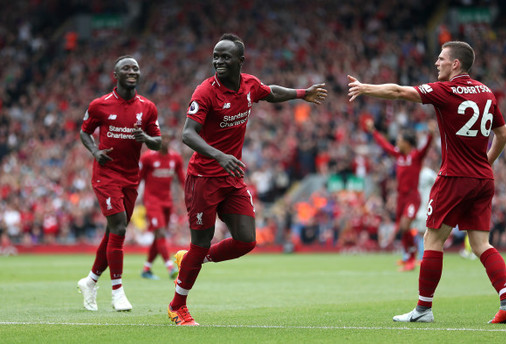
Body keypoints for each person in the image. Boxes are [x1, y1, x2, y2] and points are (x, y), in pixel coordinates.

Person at [348, 41, 506, 324]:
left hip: (454, 176)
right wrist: (484, 164)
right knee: (480, 243)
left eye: (441, 59)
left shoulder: (446, 90)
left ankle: (423, 309)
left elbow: (398, 91)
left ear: (456, 64)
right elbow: (503, 136)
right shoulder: (487, 92)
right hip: (482, 179)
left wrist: (365, 88)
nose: (436, 63)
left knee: (432, 238)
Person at [167, 33, 327, 326]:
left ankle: (190, 259)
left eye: (225, 57)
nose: (218, 62)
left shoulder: (249, 84)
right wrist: (219, 156)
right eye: (215, 56)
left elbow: (270, 92)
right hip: (204, 177)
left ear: (240, 61)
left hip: (231, 177)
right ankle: (178, 306)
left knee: (246, 240)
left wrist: (303, 93)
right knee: (200, 243)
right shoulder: (204, 92)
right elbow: (187, 134)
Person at [77, 56, 162, 312]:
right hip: (106, 174)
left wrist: (145, 136)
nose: (132, 71)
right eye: (126, 68)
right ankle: (117, 292)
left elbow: (158, 142)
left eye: (135, 68)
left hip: (131, 176)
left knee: (113, 231)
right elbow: (84, 131)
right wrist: (95, 151)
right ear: (116, 75)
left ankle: (90, 281)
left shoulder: (147, 107)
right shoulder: (100, 105)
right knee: (119, 227)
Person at [365, 118, 434, 271]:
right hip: (400, 197)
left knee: (404, 226)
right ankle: (407, 257)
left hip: (412, 197)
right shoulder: (399, 156)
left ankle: (412, 255)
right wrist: (373, 131)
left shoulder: (416, 156)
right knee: (401, 227)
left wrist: (431, 133)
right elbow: (384, 145)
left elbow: (427, 147)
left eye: (400, 140)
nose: (397, 142)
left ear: (407, 143)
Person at [139, 133, 185, 280]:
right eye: (161, 139)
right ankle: (170, 268)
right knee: (160, 233)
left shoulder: (175, 158)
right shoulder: (147, 158)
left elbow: (181, 179)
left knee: (159, 237)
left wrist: (188, 194)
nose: (164, 141)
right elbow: (138, 177)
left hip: (167, 201)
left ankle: (146, 269)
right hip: (152, 201)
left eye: (167, 138)